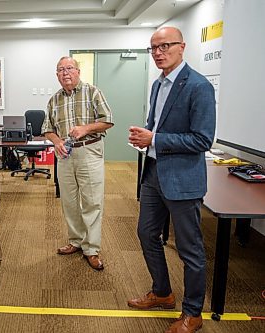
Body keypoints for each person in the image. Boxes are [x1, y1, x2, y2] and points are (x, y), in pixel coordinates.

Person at [128, 27, 216, 333]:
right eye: (153, 48)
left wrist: (156, 138)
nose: (158, 52)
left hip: (182, 179)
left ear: (182, 47)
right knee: (146, 234)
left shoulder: (199, 86)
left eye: (164, 46)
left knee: (189, 249)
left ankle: (193, 313)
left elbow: (203, 139)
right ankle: (163, 292)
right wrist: (146, 138)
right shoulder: (157, 85)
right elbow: (157, 127)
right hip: (154, 174)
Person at [42, 56, 114, 271]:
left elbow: (108, 120)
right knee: (69, 201)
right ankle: (76, 241)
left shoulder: (92, 92)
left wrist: (86, 128)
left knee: (92, 201)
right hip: (65, 155)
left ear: (78, 70)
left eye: (69, 68)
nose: (65, 73)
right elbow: (48, 129)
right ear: (57, 75)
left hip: (89, 150)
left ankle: (91, 249)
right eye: (61, 70)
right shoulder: (54, 100)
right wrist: (56, 142)